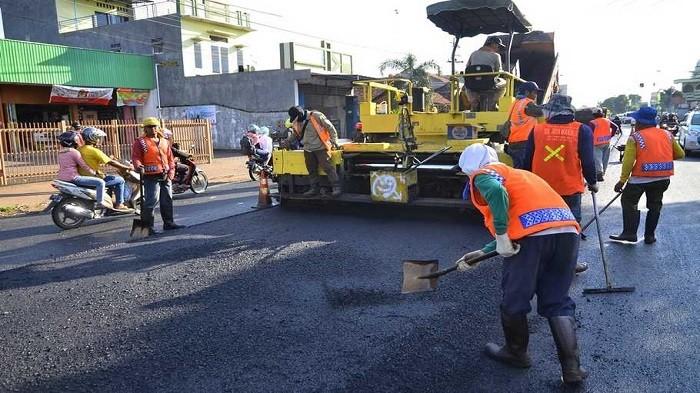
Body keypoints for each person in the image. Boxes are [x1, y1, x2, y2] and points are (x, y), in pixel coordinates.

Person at [456, 144, 587, 385]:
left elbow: (496, 193)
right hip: (567, 232)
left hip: (533, 239)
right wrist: (481, 252)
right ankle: (572, 369)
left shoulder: (484, 174)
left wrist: (503, 236)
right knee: (557, 300)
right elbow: (525, 217)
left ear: (469, 168)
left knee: (514, 299)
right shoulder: (522, 175)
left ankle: (516, 352)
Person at [523, 94, 598, 274]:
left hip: (540, 190)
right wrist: (593, 182)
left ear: (551, 111)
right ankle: (568, 265)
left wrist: (526, 182)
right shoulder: (582, 130)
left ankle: (542, 262)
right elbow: (588, 161)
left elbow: (527, 160)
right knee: (570, 228)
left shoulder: (537, 130)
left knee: (543, 226)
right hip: (569, 189)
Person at [610, 106, 684, 244]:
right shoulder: (667, 134)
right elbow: (680, 154)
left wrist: (621, 181)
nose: (635, 123)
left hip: (639, 180)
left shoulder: (635, 137)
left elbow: (628, 162)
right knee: (655, 206)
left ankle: (630, 233)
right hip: (663, 179)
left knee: (629, 202)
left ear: (640, 122)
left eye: (636, 121)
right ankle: (650, 236)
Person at [131, 117, 183, 234]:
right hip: (150, 176)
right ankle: (147, 228)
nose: (153, 129)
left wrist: (171, 172)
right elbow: (136, 157)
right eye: (150, 127)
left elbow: (170, 158)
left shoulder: (164, 141)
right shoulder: (140, 142)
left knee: (167, 200)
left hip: (165, 175)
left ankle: (169, 223)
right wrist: (138, 166)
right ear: (145, 129)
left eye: (154, 126)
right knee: (151, 201)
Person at [286, 106, 341, 197]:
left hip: (321, 148)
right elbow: (295, 133)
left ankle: (336, 187)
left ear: (300, 114)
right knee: (311, 169)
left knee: (327, 167)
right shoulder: (298, 121)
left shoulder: (316, 116)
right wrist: (287, 141)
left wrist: (335, 141)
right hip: (308, 149)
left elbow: (330, 127)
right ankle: (314, 188)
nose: (296, 121)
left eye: (296, 118)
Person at [78, 127, 133, 211]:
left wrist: (110, 158)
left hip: (83, 177)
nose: (99, 140)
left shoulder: (80, 149)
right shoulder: (94, 150)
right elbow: (111, 163)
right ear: (92, 138)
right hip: (95, 178)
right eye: (98, 138)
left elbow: (90, 161)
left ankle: (109, 201)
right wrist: (127, 167)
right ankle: (120, 204)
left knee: (110, 178)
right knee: (120, 180)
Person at [56, 131, 109, 210]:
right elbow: (83, 165)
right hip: (73, 177)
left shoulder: (60, 153)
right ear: (74, 141)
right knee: (100, 182)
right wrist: (93, 173)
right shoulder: (75, 152)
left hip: (61, 178)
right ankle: (100, 203)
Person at [506, 81, 544, 169]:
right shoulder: (527, 103)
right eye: (534, 92)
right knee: (525, 169)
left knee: (518, 168)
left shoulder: (515, 103)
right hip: (524, 142)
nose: (536, 95)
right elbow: (540, 112)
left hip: (513, 141)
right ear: (527, 92)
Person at [464, 36, 507, 111]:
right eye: (498, 46)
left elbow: (468, 68)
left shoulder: (473, 54)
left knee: (466, 84)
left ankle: (474, 102)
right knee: (505, 84)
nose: (498, 48)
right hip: (488, 84)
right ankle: (493, 103)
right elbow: (498, 72)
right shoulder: (496, 56)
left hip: (472, 83)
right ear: (493, 44)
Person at [590, 108, 620, 181]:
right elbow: (615, 127)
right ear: (602, 114)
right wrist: (611, 135)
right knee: (605, 159)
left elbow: (589, 133)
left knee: (597, 158)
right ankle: (603, 173)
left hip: (596, 143)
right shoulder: (607, 121)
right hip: (607, 142)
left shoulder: (592, 122)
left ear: (594, 115)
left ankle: (599, 173)